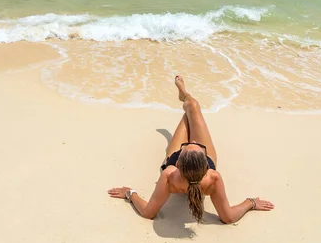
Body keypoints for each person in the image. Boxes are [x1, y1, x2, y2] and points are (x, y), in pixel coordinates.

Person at [108, 75, 274, 223]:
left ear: (177, 161)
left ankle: (184, 96)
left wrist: (130, 193)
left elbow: (148, 212)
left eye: (187, 146)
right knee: (193, 108)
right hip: (195, 165)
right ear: (205, 162)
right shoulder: (213, 177)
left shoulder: (169, 174)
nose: (192, 140)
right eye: (195, 145)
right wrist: (250, 203)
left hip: (182, 165)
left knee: (191, 111)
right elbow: (228, 217)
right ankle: (185, 97)